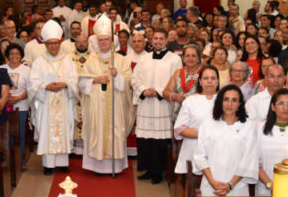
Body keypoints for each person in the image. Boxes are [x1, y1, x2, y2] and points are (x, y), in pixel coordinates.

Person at [78, 17, 133, 175]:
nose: (103, 42)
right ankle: (96, 166)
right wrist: (94, 80)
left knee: (114, 132)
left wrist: (117, 76)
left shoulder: (121, 60)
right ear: (96, 41)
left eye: (106, 39)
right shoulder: (90, 61)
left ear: (112, 40)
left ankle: (113, 166)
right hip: (96, 106)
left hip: (115, 105)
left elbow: (128, 83)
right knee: (97, 131)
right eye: (101, 40)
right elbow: (81, 83)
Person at [28, 20, 79, 174]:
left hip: (64, 101)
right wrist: (45, 86)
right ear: (45, 44)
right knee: (48, 131)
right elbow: (32, 83)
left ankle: (63, 163)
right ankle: (48, 165)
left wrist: (65, 85)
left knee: (63, 129)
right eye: (50, 43)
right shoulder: (39, 62)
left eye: (56, 43)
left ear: (60, 42)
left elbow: (75, 80)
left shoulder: (68, 60)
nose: (53, 46)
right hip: (46, 103)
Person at [132, 29, 182, 183]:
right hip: (146, 104)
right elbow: (135, 79)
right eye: (156, 38)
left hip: (163, 104)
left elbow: (177, 80)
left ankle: (158, 172)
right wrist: (143, 90)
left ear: (166, 40)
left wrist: (159, 91)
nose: (158, 41)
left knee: (159, 141)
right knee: (145, 140)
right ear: (151, 40)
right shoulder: (144, 58)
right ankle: (147, 169)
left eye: (161, 38)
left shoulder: (174, 59)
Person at [173, 65, 220, 180]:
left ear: (218, 81)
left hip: (218, 150)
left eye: (213, 78)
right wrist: (205, 135)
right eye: (206, 78)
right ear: (200, 81)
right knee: (193, 191)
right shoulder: (190, 101)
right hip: (193, 148)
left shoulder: (225, 100)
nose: (209, 81)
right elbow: (180, 128)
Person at [2, 43, 31, 170]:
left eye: (17, 54)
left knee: (20, 135)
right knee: (5, 135)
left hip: (21, 107)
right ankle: (6, 162)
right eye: (11, 53)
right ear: (7, 55)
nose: (14, 56)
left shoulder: (27, 70)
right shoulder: (2, 69)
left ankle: (21, 161)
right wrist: (5, 99)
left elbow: (31, 89)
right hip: (4, 106)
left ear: (21, 55)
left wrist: (18, 98)